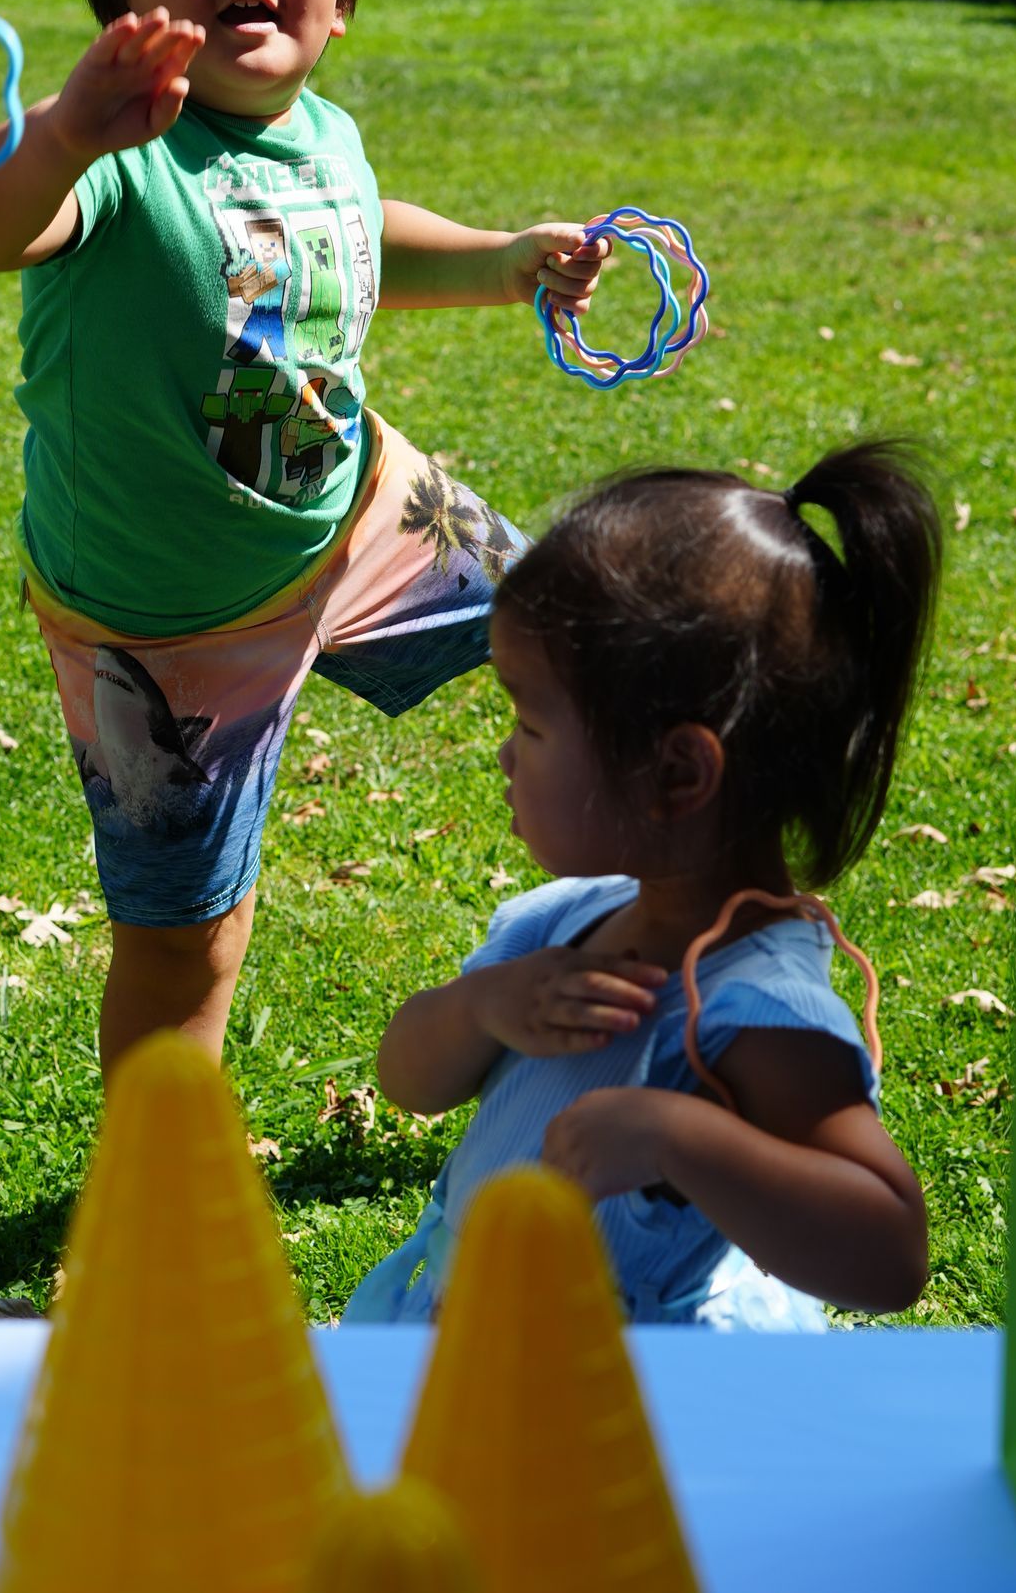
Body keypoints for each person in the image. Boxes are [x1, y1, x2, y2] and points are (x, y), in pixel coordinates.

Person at [0, 0, 609, 1072]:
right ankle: (156, 1162)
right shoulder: (121, 158)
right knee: (190, 941)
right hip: (171, 625)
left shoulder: (325, 133)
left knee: (580, 629)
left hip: (360, 513)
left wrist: (501, 261)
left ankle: (648, 917)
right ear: (122, 8)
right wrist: (65, 132)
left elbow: (353, 228)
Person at [346, 443, 941, 1328]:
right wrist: (480, 1008)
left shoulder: (753, 1011)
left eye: (530, 723)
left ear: (677, 773)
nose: (505, 755)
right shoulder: (565, 925)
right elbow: (408, 1081)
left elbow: (889, 1256)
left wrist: (683, 1139)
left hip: (627, 1390)